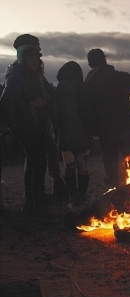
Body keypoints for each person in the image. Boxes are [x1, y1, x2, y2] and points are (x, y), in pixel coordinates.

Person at [13, 34, 68, 200]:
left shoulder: (34, 73)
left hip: (40, 125)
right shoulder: (20, 75)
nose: (40, 49)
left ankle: (37, 197)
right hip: (32, 127)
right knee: (36, 163)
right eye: (37, 46)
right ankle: (34, 199)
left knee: (37, 161)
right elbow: (11, 103)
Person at [85, 48, 130, 189]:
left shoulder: (89, 82)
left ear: (90, 64)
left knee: (110, 161)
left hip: (104, 129)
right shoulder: (118, 76)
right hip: (124, 125)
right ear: (105, 60)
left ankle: (112, 187)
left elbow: (88, 107)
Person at [0, 45, 51, 215]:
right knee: (39, 163)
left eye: (37, 57)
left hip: (36, 127)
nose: (35, 60)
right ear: (23, 59)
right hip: (25, 128)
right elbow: (7, 103)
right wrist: (17, 127)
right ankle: (37, 202)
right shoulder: (16, 78)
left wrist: (45, 103)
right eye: (30, 57)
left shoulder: (36, 77)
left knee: (32, 164)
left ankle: (31, 203)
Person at [53, 61, 93, 206]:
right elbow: (89, 112)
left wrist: (56, 132)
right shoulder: (85, 88)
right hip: (84, 134)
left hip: (66, 135)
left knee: (68, 167)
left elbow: (55, 114)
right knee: (83, 167)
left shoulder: (59, 90)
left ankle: (73, 198)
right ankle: (82, 197)